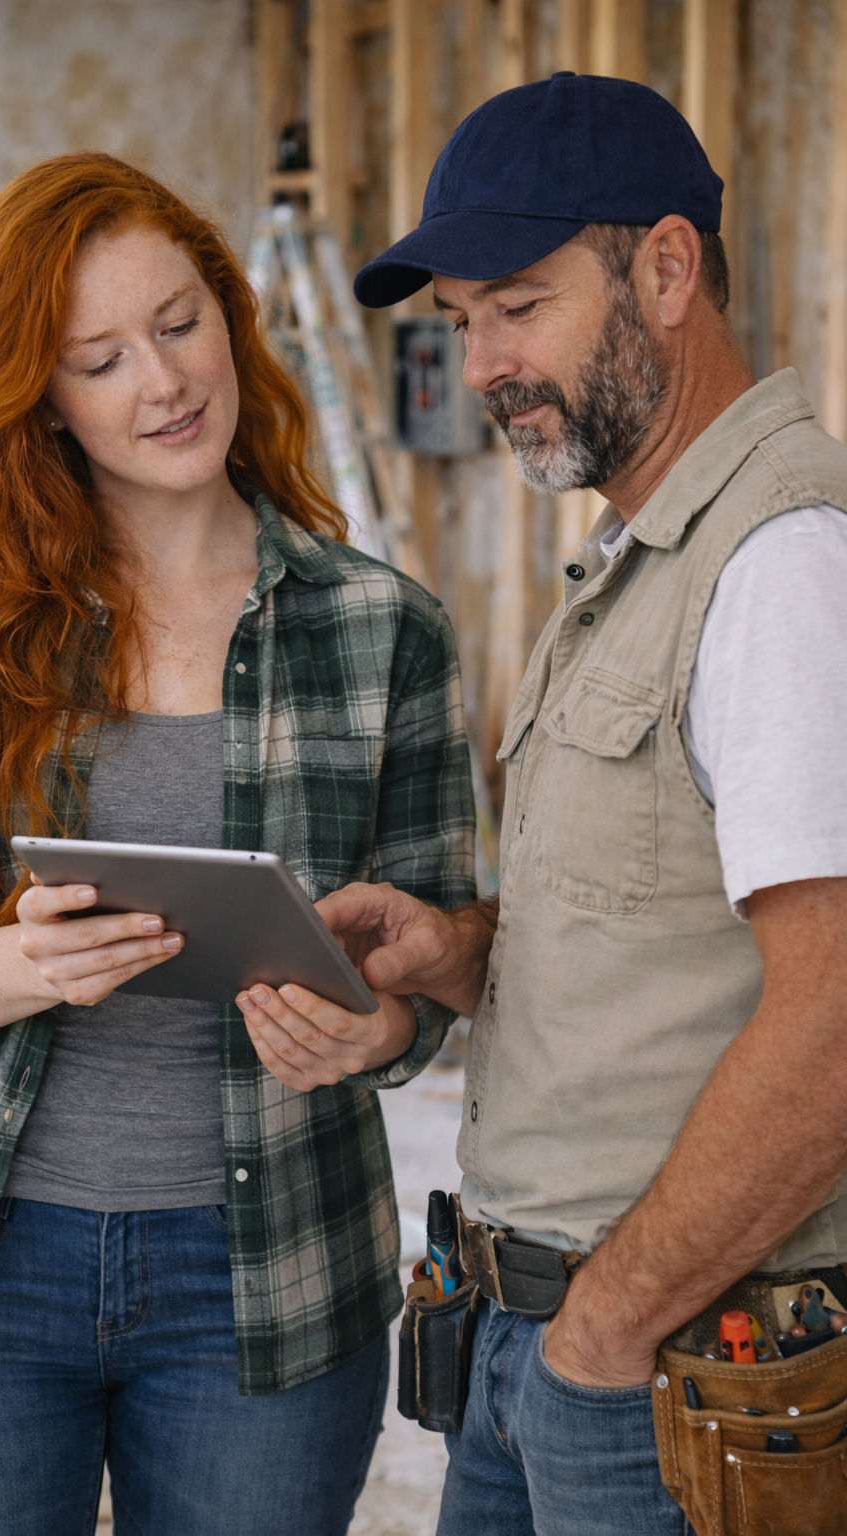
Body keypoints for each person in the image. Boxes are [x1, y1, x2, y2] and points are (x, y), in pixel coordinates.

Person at [0, 152, 475, 1536]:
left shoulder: (385, 632)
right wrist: (13, 967)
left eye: (180, 326)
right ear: (41, 396)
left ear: (231, 319)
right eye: (99, 358)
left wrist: (385, 1032)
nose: (163, 383)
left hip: (267, 1276)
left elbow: (441, 951)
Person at [242, 73, 847, 1533]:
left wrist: (602, 1331)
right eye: (461, 318)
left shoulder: (778, 567)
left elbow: (834, 1020)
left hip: (664, 1360)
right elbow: (675, 917)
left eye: (517, 303)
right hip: (545, 1347)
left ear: (665, 267)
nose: (483, 361)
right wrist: (467, 953)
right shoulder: (641, 554)